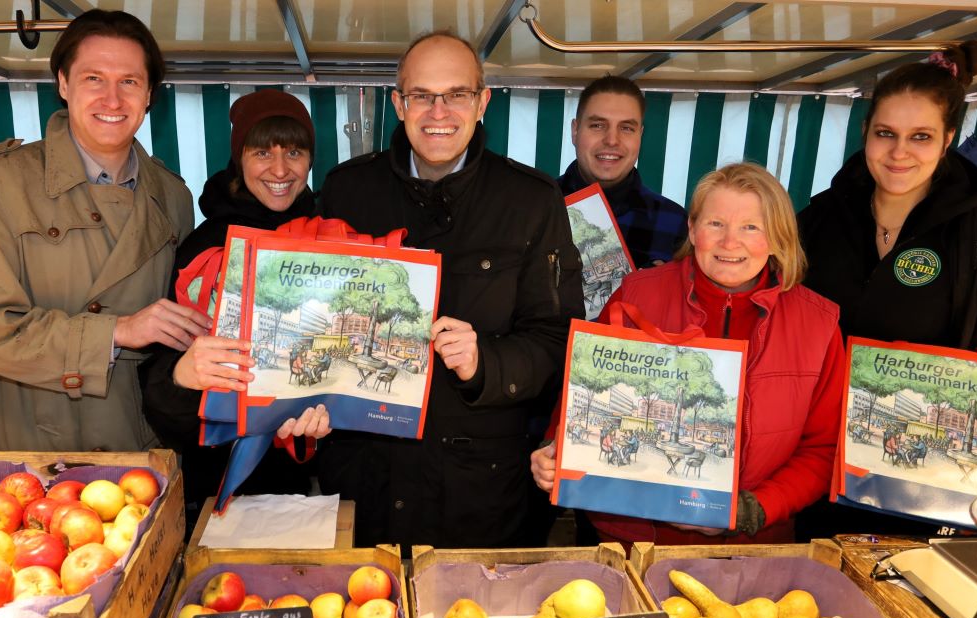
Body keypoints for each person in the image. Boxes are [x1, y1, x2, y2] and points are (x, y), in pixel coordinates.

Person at [315, 32, 584, 551]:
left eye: (456, 94)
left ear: (482, 102)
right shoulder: (348, 189)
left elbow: (557, 340)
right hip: (367, 476)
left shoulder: (531, 200)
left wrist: (486, 363)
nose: (439, 111)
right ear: (399, 103)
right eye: (422, 95)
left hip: (478, 488)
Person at [796, 43, 977, 534]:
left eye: (920, 136)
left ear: (948, 139)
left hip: (915, 497)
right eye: (886, 133)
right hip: (811, 476)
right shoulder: (817, 220)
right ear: (866, 133)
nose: (899, 152)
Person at [531, 163, 846, 547]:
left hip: (754, 551)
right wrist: (553, 449)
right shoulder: (637, 294)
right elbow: (578, 400)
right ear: (693, 229)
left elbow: (822, 449)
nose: (730, 242)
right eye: (715, 223)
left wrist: (750, 510)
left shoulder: (818, 323)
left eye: (751, 227)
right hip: (629, 543)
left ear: (778, 237)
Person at [0, 10, 200, 452]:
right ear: (64, 84)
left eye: (129, 82)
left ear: (148, 96)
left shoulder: (175, 198)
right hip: (33, 445)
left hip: (138, 442)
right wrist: (117, 331)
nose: (112, 99)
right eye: (93, 79)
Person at [140, 89, 331, 510]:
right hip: (214, 478)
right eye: (262, 152)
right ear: (239, 158)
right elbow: (162, 377)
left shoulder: (331, 241)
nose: (280, 169)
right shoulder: (203, 246)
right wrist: (182, 377)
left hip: (307, 483)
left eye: (295, 152)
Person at [558, 75, 688, 268]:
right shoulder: (531, 210)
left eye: (626, 128)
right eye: (597, 125)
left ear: (640, 136)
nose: (612, 140)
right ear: (575, 131)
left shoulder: (676, 222)